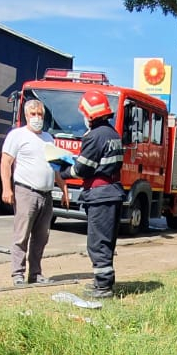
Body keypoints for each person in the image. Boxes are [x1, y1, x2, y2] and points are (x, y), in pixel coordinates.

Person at [0, 99, 69, 286]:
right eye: (33, 114)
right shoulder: (17, 136)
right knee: (21, 235)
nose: (37, 118)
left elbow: (55, 167)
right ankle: (18, 274)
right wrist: (6, 188)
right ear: (26, 115)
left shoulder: (48, 138)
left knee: (41, 237)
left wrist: (63, 187)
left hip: (46, 195)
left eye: (40, 114)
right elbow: (6, 162)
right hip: (26, 191)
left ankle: (35, 273)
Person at [72, 87, 125, 299]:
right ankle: (103, 284)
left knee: (97, 242)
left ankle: (102, 287)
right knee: (107, 240)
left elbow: (81, 169)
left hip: (100, 194)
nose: (84, 118)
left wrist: (63, 169)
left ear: (90, 113)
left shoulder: (94, 136)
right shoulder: (113, 134)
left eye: (84, 114)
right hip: (112, 192)